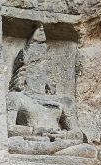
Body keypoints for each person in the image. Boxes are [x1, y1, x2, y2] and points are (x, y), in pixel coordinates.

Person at [7, 25, 96, 157]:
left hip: (59, 141)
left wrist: (63, 134)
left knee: (88, 150)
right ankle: (51, 149)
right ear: (23, 73)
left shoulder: (64, 101)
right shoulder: (16, 97)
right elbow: (8, 129)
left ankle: (52, 149)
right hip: (33, 141)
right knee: (11, 145)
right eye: (34, 67)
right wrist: (36, 131)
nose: (40, 72)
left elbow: (77, 133)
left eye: (44, 68)